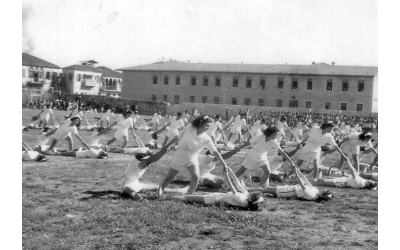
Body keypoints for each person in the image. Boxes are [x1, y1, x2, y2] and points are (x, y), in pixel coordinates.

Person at [158, 115, 229, 195]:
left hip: (193, 156)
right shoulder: (189, 127)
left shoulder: (206, 138)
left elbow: (215, 151)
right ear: (200, 123)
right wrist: (167, 145)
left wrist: (224, 163)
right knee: (169, 177)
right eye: (206, 125)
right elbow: (178, 137)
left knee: (195, 177)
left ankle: (189, 196)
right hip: (181, 153)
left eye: (209, 126)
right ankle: (159, 191)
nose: (208, 128)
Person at [159, 165, 264, 211]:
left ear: (251, 199)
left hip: (213, 199)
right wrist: (231, 171)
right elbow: (237, 183)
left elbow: (234, 189)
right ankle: (168, 195)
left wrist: (227, 177)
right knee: (190, 196)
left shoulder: (243, 201)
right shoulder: (246, 196)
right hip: (216, 196)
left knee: (188, 198)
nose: (253, 191)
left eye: (254, 194)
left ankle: (164, 197)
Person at [248, 165, 333, 202]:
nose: (323, 189)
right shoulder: (316, 191)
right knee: (266, 189)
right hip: (291, 188)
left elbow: (303, 185)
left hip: (289, 191)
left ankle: (248, 190)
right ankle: (249, 189)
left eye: (324, 191)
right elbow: (306, 182)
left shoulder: (312, 195)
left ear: (322, 195)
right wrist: (299, 172)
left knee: (266, 189)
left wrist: (296, 173)